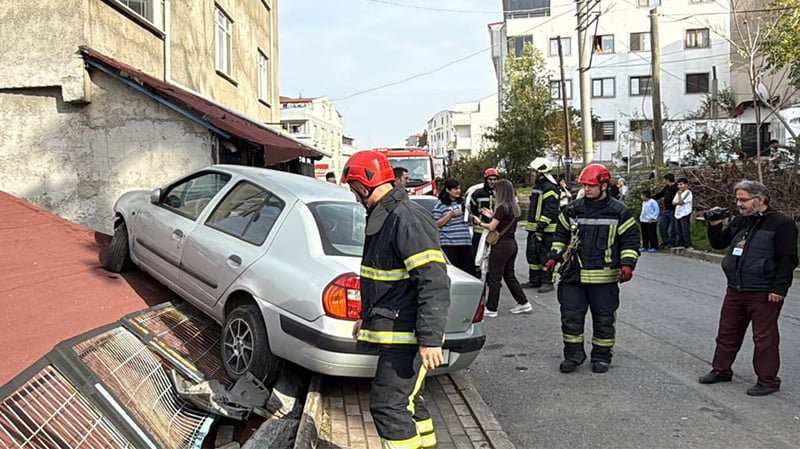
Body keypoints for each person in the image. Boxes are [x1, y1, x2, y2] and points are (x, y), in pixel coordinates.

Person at [341, 151, 448, 448]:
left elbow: (434, 281)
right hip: (398, 331)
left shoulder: (405, 218)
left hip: (408, 334)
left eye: (353, 189)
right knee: (409, 402)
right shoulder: (385, 216)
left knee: (388, 407)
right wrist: (366, 317)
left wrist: (430, 339)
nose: (354, 197)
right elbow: (382, 281)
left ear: (364, 185)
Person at [698, 181, 798, 396]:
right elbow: (719, 244)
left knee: (764, 338)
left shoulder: (782, 224)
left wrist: (779, 289)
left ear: (760, 200)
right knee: (727, 332)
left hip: (764, 291)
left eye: (743, 200)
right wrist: (714, 224)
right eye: (737, 199)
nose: (738, 204)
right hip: (736, 288)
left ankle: (767, 380)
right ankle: (721, 370)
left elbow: (788, 259)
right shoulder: (740, 221)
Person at [546, 163, 640, 374]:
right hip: (574, 276)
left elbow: (630, 241)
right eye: (584, 185)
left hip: (604, 278)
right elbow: (560, 235)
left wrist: (627, 264)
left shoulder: (619, 212)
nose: (586, 189)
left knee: (604, 319)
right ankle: (573, 355)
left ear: (604, 185)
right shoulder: (572, 209)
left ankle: (601, 357)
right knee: (570, 317)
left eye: (591, 185)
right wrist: (554, 256)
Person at [478, 179, 531, 317]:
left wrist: (479, 222)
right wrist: (491, 215)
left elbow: (492, 227)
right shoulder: (513, 206)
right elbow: (502, 220)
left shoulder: (501, 207)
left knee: (494, 276)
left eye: (495, 190)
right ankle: (523, 302)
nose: (494, 193)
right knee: (509, 275)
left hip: (501, 246)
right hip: (512, 244)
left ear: (501, 192)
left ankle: (491, 308)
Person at [522, 157, 560, 293]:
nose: (532, 174)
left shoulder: (550, 188)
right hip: (534, 229)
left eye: (534, 171)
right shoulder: (538, 187)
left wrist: (541, 227)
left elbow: (550, 210)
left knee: (545, 256)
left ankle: (547, 282)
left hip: (546, 231)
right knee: (533, 255)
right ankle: (535, 280)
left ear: (541, 173)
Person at [432, 178, 476, 277]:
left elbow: (470, 221)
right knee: (454, 272)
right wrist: (450, 215)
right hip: (449, 243)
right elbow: (436, 224)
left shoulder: (463, 203)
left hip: (465, 242)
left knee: (468, 273)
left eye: (459, 188)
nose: (458, 191)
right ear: (447, 190)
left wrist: (469, 212)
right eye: (455, 189)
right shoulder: (439, 205)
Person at [469, 168, 499, 266]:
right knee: (477, 252)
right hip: (479, 228)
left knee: (493, 254)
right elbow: (472, 209)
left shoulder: (500, 193)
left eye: (495, 179)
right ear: (486, 180)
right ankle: (476, 270)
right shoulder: (477, 193)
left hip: (494, 228)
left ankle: (489, 271)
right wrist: (477, 216)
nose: (492, 182)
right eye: (490, 179)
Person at [652, 173, 678, 247]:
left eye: (664, 180)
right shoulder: (666, 187)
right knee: (662, 226)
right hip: (666, 209)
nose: (663, 181)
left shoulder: (676, 188)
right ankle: (665, 241)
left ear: (667, 180)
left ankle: (672, 242)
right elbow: (660, 194)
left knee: (673, 228)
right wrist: (651, 198)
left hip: (674, 210)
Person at [673, 177, 693, 249]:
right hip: (678, 213)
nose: (679, 186)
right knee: (678, 229)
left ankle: (688, 243)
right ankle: (680, 242)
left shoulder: (688, 193)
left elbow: (681, 202)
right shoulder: (677, 192)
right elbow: (673, 202)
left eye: (681, 184)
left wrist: (679, 196)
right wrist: (678, 201)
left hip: (685, 213)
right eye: (678, 185)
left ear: (686, 185)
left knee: (685, 229)